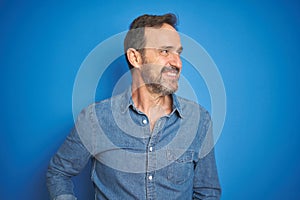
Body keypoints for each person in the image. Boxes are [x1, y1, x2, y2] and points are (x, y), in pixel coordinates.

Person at [47, 13, 221, 200]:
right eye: (165, 51)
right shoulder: (95, 119)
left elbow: (207, 192)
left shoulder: (198, 119)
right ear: (135, 58)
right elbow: (58, 173)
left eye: (178, 53)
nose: (177, 63)